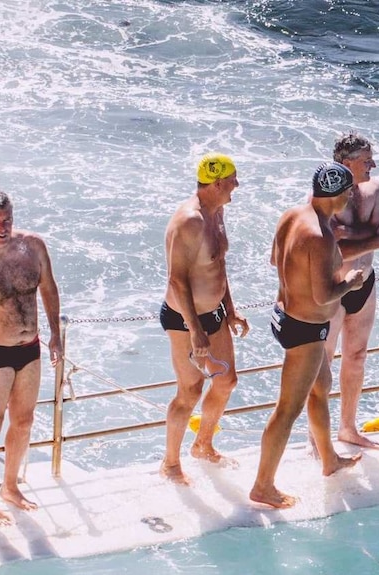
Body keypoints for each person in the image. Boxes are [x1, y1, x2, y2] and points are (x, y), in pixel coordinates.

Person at [250, 162, 364, 509]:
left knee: (321, 387)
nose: (351, 198)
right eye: (350, 192)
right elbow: (323, 295)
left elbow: (275, 260)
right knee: (287, 409)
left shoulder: (292, 215)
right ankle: (263, 486)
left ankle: (329, 459)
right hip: (306, 330)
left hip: (283, 314)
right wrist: (351, 281)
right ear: (340, 194)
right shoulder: (321, 235)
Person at [0, 188, 62, 526]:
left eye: (7, 219)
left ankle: (10, 487)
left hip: (30, 347)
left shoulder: (33, 246)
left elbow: (49, 288)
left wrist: (55, 335)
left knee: (23, 421)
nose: (3, 226)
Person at [160, 153, 249, 486]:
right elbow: (177, 280)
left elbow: (217, 265)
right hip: (185, 320)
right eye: (232, 180)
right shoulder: (190, 221)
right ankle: (170, 463)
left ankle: (203, 443)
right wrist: (196, 332)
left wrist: (231, 307)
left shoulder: (217, 212)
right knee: (190, 391)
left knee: (226, 382)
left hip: (215, 313)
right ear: (217, 183)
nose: (236, 186)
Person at [317, 133, 379, 449]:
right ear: (346, 164)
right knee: (323, 363)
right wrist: (365, 238)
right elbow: (329, 251)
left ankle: (347, 427)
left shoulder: (376, 191)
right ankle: (315, 437)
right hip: (333, 287)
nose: (372, 164)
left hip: (366, 284)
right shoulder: (326, 199)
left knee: (357, 357)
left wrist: (348, 235)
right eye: (366, 160)